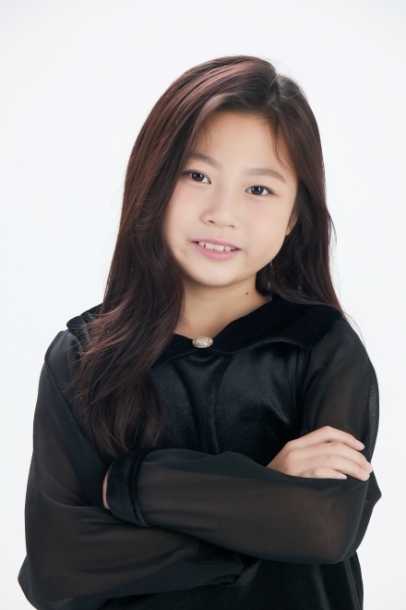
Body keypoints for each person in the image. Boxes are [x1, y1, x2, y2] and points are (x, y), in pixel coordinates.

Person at [18, 55, 381, 610]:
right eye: (198, 176)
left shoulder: (321, 348)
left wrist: (135, 483)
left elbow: (324, 528)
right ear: (154, 181)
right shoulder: (82, 356)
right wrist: (263, 497)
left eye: (259, 189)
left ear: (293, 217)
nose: (222, 213)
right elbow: (58, 566)